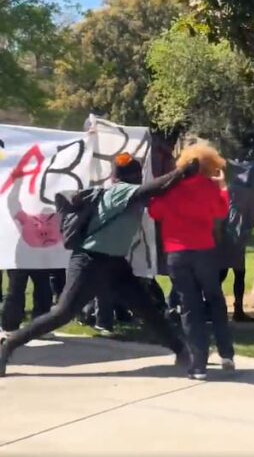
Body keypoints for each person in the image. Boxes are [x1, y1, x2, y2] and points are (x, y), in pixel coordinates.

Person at [0, 154, 198, 377]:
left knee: (146, 308)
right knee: (62, 313)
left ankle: (181, 351)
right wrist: (182, 171)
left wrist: (183, 177)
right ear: (133, 177)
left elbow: (160, 190)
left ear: (114, 175)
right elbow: (154, 188)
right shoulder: (121, 191)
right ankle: (9, 344)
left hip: (115, 263)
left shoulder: (127, 192)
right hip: (90, 262)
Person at [149, 144, 234, 381]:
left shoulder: (170, 189)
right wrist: (223, 187)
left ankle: (198, 366)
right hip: (204, 251)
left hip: (176, 254)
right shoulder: (208, 188)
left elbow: (154, 212)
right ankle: (226, 353)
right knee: (215, 299)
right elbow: (221, 211)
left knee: (189, 307)